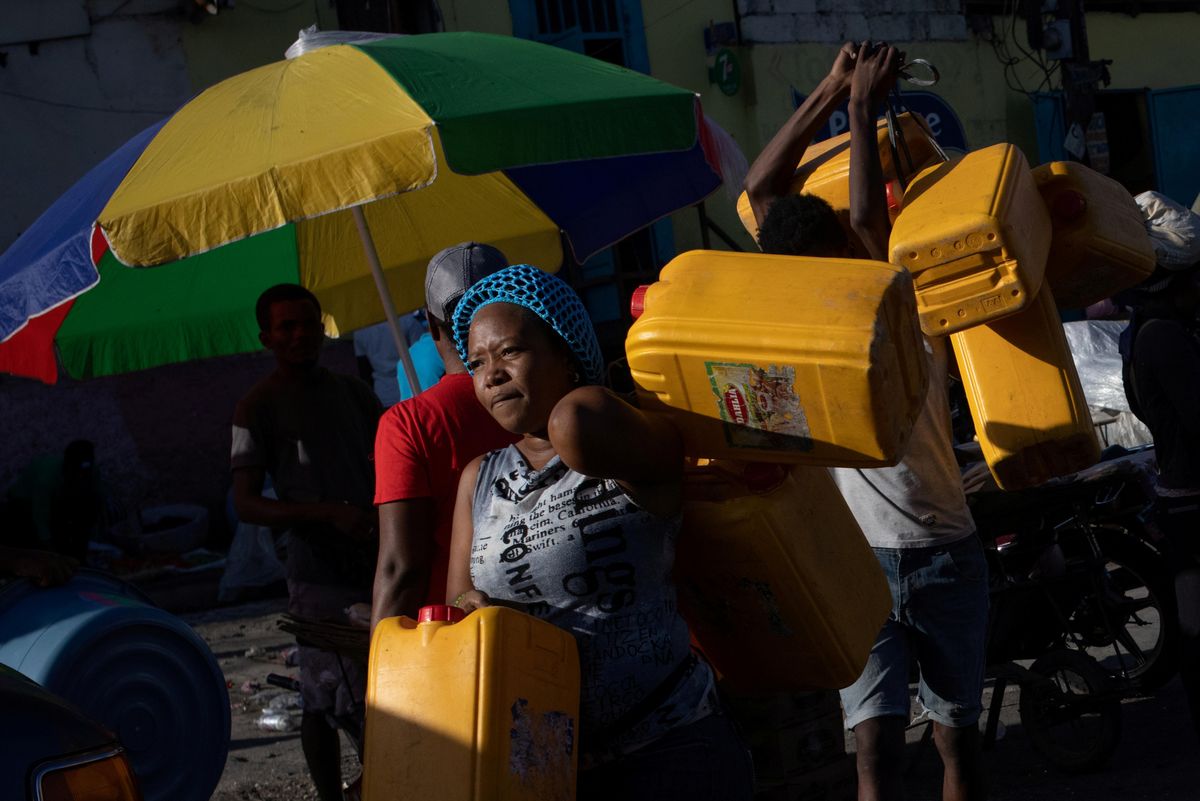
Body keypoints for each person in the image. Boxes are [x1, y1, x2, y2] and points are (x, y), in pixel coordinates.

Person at [744, 43, 988, 801]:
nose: (848, 257)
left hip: (942, 546)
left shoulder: (900, 301)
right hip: (857, 561)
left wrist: (852, 104)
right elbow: (759, 191)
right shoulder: (797, 324)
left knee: (958, 742)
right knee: (873, 747)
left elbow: (852, 216)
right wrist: (833, 92)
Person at [445, 264, 753, 801]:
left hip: (668, 749)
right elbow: (454, 597)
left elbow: (578, 422)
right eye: (475, 362)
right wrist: (469, 606)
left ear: (565, 352)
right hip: (547, 764)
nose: (490, 374)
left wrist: (575, 401)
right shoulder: (479, 479)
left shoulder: (619, 435)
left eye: (510, 351)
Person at [231, 283, 382, 801]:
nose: (299, 335)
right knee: (323, 694)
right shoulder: (254, 409)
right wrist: (322, 513)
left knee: (378, 687)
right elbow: (246, 502)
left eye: (307, 324)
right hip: (315, 570)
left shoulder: (356, 394)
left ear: (323, 328)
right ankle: (330, 794)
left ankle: (383, 781)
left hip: (376, 559)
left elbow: (389, 463)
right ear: (266, 337)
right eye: (286, 327)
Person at [370, 242, 518, 633]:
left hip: (456, 643)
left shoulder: (410, 423)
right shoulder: (553, 401)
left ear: (432, 327)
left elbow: (401, 567)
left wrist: (382, 670)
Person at [1123, 263, 1200, 742]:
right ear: (1172, 286)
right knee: (1196, 627)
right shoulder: (1165, 338)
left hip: (1182, 499)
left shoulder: (1143, 335)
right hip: (1193, 502)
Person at [4, 439, 105, 562]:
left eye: (84, 476)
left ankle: (77, 557)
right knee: (33, 536)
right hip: (23, 501)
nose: (80, 478)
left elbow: (98, 498)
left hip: (57, 497)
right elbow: (40, 521)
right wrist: (56, 556)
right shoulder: (46, 481)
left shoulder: (92, 472)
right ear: (67, 468)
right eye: (76, 475)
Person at [353, 312, 445, 406]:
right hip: (411, 388)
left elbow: (364, 370)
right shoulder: (407, 320)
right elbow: (420, 353)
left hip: (382, 394)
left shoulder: (360, 331)